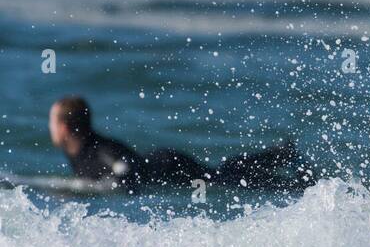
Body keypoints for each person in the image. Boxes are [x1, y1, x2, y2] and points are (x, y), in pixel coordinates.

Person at [48, 95, 312, 191]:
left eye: (51, 122)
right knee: (222, 172)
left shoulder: (99, 148)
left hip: (169, 166)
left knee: (223, 179)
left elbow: (126, 166)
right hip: (161, 164)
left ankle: (292, 180)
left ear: (63, 128)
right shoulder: (76, 151)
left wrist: (113, 186)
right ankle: (280, 156)